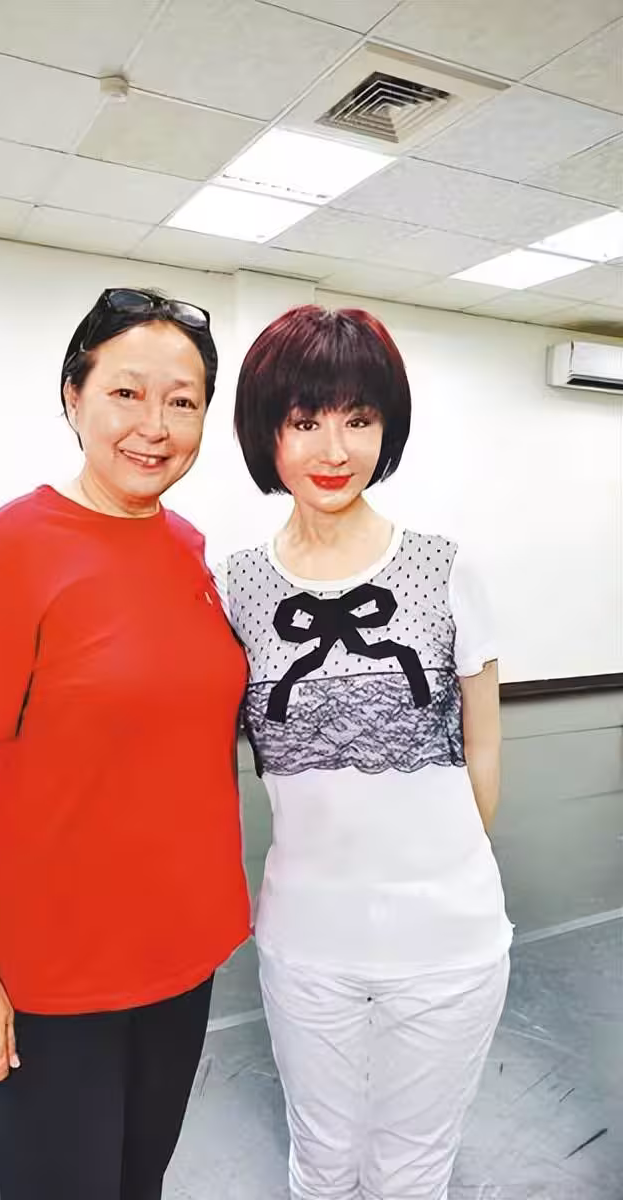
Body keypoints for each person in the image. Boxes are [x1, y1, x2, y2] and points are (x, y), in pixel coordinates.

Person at [0, 287, 251, 1200]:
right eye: (126, 393)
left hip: (183, 949)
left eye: (182, 401)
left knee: (140, 1181)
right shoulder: (12, 546)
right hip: (59, 968)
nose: (155, 427)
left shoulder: (187, 546)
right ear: (73, 396)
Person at [216, 304, 514, 1199]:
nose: (334, 449)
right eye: (304, 421)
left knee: (413, 1172)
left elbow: (485, 744)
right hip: (306, 939)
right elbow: (176, 731)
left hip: (449, 940)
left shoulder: (444, 566)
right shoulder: (235, 586)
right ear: (267, 431)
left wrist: (438, 871)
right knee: (320, 1164)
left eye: (359, 418)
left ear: (387, 428)